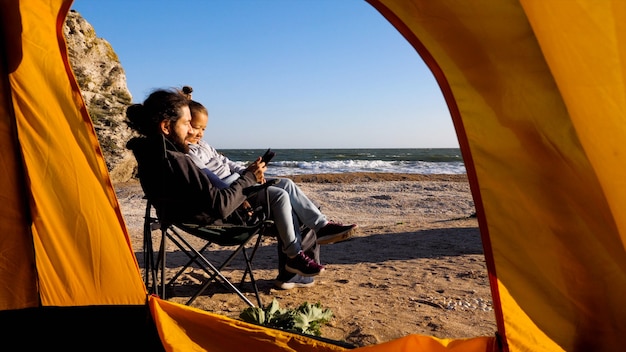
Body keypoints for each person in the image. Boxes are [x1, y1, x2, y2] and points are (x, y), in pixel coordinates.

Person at [126, 88, 325, 278]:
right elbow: (220, 205)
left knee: (286, 193)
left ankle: (299, 259)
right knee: (291, 204)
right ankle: (296, 265)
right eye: (187, 124)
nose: (190, 131)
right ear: (166, 126)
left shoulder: (153, 153)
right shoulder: (177, 160)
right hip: (221, 224)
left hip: (183, 217)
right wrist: (249, 178)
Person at [184, 99, 358, 288]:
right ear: (182, 123)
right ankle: (294, 256)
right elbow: (215, 182)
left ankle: (321, 226)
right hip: (236, 193)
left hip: (242, 182)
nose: (200, 133)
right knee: (280, 196)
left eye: (204, 129)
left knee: (287, 184)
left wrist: (250, 170)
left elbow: (227, 163)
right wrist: (247, 178)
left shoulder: (204, 146)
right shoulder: (186, 153)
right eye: (195, 127)